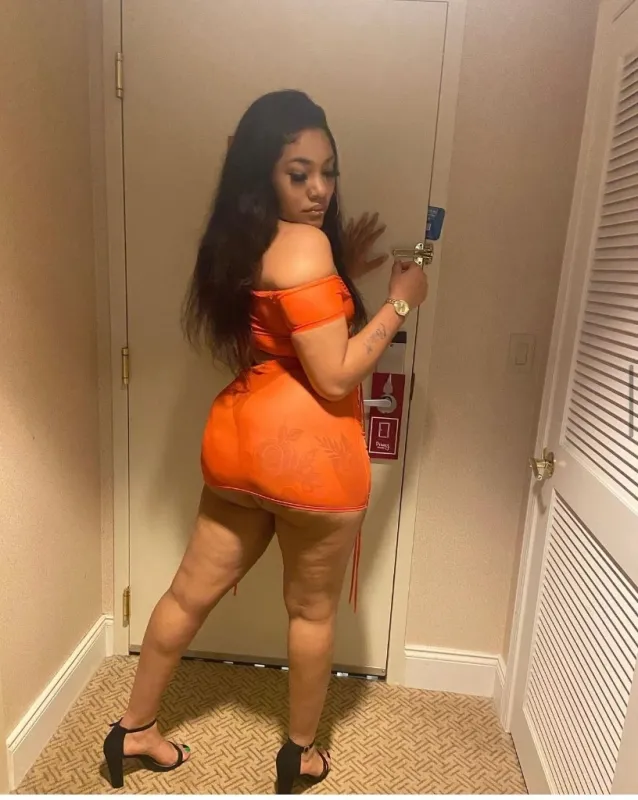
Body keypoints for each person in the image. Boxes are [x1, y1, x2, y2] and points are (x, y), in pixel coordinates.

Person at [102, 90, 428, 794]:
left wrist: (347, 269)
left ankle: (133, 729)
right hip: (311, 464)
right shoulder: (307, 245)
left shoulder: (240, 238)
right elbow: (334, 373)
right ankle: (300, 755)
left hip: (242, 449)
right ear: (263, 172)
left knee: (186, 596)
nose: (319, 190)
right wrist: (403, 299)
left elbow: (290, 321)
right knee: (310, 613)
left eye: (328, 172)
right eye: (298, 173)